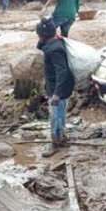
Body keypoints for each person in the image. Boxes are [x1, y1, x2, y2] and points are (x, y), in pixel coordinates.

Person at [36, 19, 74, 157]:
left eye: (39, 35)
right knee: (60, 115)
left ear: (44, 36)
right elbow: (39, 47)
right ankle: (63, 137)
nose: (38, 38)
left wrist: (57, 94)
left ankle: (55, 143)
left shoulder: (56, 49)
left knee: (55, 117)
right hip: (59, 87)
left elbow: (62, 72)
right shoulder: (52, 43)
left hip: (60, 89)